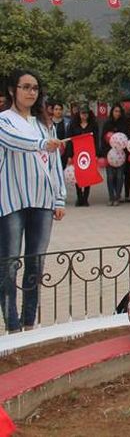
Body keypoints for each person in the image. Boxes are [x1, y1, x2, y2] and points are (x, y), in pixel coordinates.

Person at [0, 69, 67, 333]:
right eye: (25, 87)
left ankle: (29, 322)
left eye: (35, 88)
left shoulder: (44, 123)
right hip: (12, 201)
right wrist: (42, 144)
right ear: (12, 90)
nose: (31, 92)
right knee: (9, 264)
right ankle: (12, 324)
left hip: (42, 201)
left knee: (35, 263)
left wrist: (59, 199)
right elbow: (14, 142)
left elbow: (55, 164)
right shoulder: (4, 120)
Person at [66, 106, 100, 207]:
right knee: (78, 175)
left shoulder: (93, 125)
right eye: (82, 113)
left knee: (87, 175)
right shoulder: (73, 125)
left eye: (86, 113)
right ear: (79, 114)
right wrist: (69, 155)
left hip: (89, 152)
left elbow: (96, 140)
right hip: (77, 152)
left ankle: (85, 198)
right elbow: (69, 140)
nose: (84, 115)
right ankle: (79, 197)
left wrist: (96, 154)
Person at [101, 104, 130, 206]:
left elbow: (127, 138)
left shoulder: (124, 124)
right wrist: (104, 153)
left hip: (121, 154)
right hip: (109, 154)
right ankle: (111, 197)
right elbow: (103, 139)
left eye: (119, 111)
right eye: (115, 111)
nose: (117, 113)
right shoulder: (107, 124)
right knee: (110, 177)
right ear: (112, 112)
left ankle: (117, 197)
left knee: (119, 176)